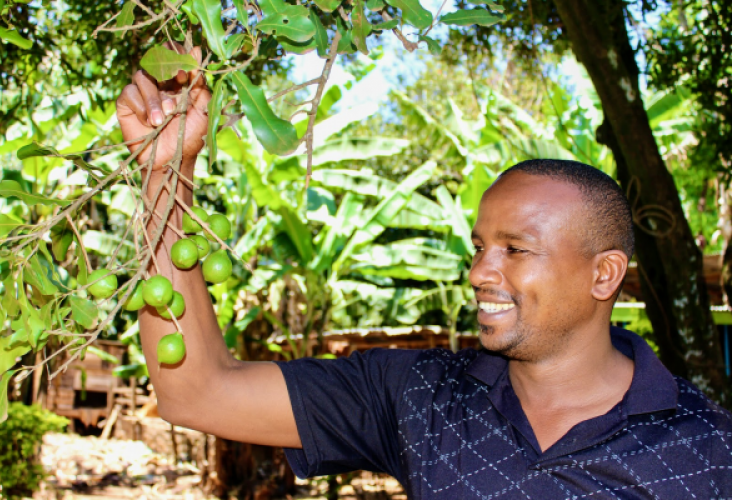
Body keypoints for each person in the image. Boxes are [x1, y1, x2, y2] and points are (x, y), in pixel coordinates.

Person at [117, 53, 732, 498]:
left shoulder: (709, 451)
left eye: (515, 249)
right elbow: (193, 391)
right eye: (480, 245)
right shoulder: (418, 394)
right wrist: (166, 175)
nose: (478, 272)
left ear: (605, 275)